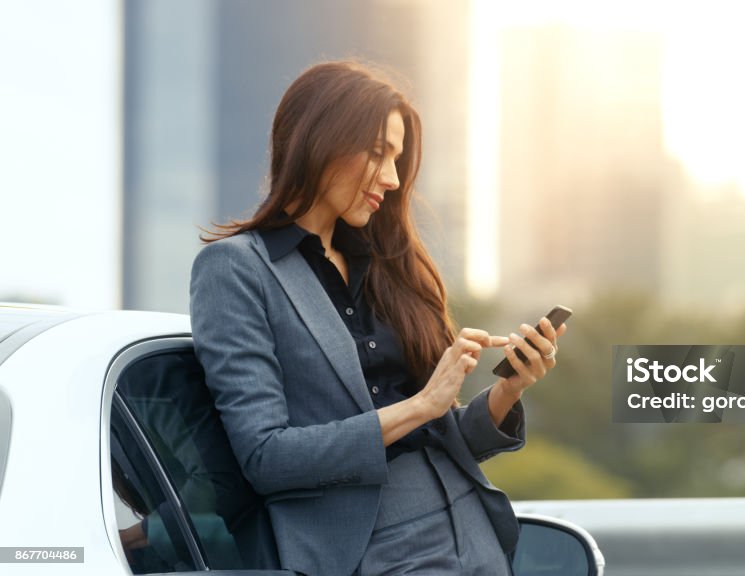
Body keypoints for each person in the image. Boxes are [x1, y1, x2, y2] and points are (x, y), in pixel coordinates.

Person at [189, 60, 566, 576]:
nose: (391, 179)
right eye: (378, 154)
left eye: (397, 159)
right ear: (320, 141)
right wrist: (422, 405)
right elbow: (265, 458)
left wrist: (506, 392)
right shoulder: (236, 269)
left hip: (473, 534)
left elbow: (437, 440)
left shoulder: (386, 263)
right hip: (371, 552)